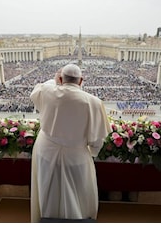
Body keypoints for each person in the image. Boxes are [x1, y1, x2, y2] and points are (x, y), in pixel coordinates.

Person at [29, 64, 111, 222]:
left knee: (48, 191)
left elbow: (40, 88)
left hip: (46, 151)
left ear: (60, 79)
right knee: (78, 194)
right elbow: (97, 141)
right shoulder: (93, 102)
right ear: (81, 81)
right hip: (76, 155)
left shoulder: (48, 91)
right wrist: (92, 152)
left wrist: (56, 80)